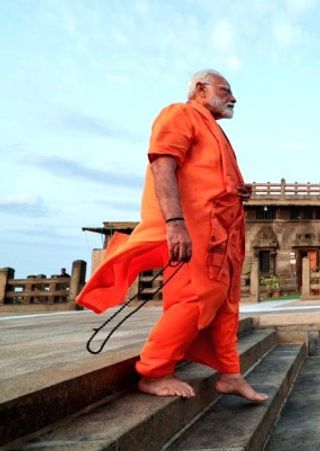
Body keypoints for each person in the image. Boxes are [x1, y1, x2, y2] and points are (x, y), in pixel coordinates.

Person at [77, 69, 267, 402]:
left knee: (225, 304)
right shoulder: (180, 114)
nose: (233, 97)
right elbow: (163, 165)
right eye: (225, 90)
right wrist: (175, 222)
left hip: (223, 237)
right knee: (194, 300)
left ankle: (230, 373)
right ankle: (154, 371)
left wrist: (237, 190)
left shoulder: (216, 132)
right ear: (200, 89)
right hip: (193, 231)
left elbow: (209, 179)